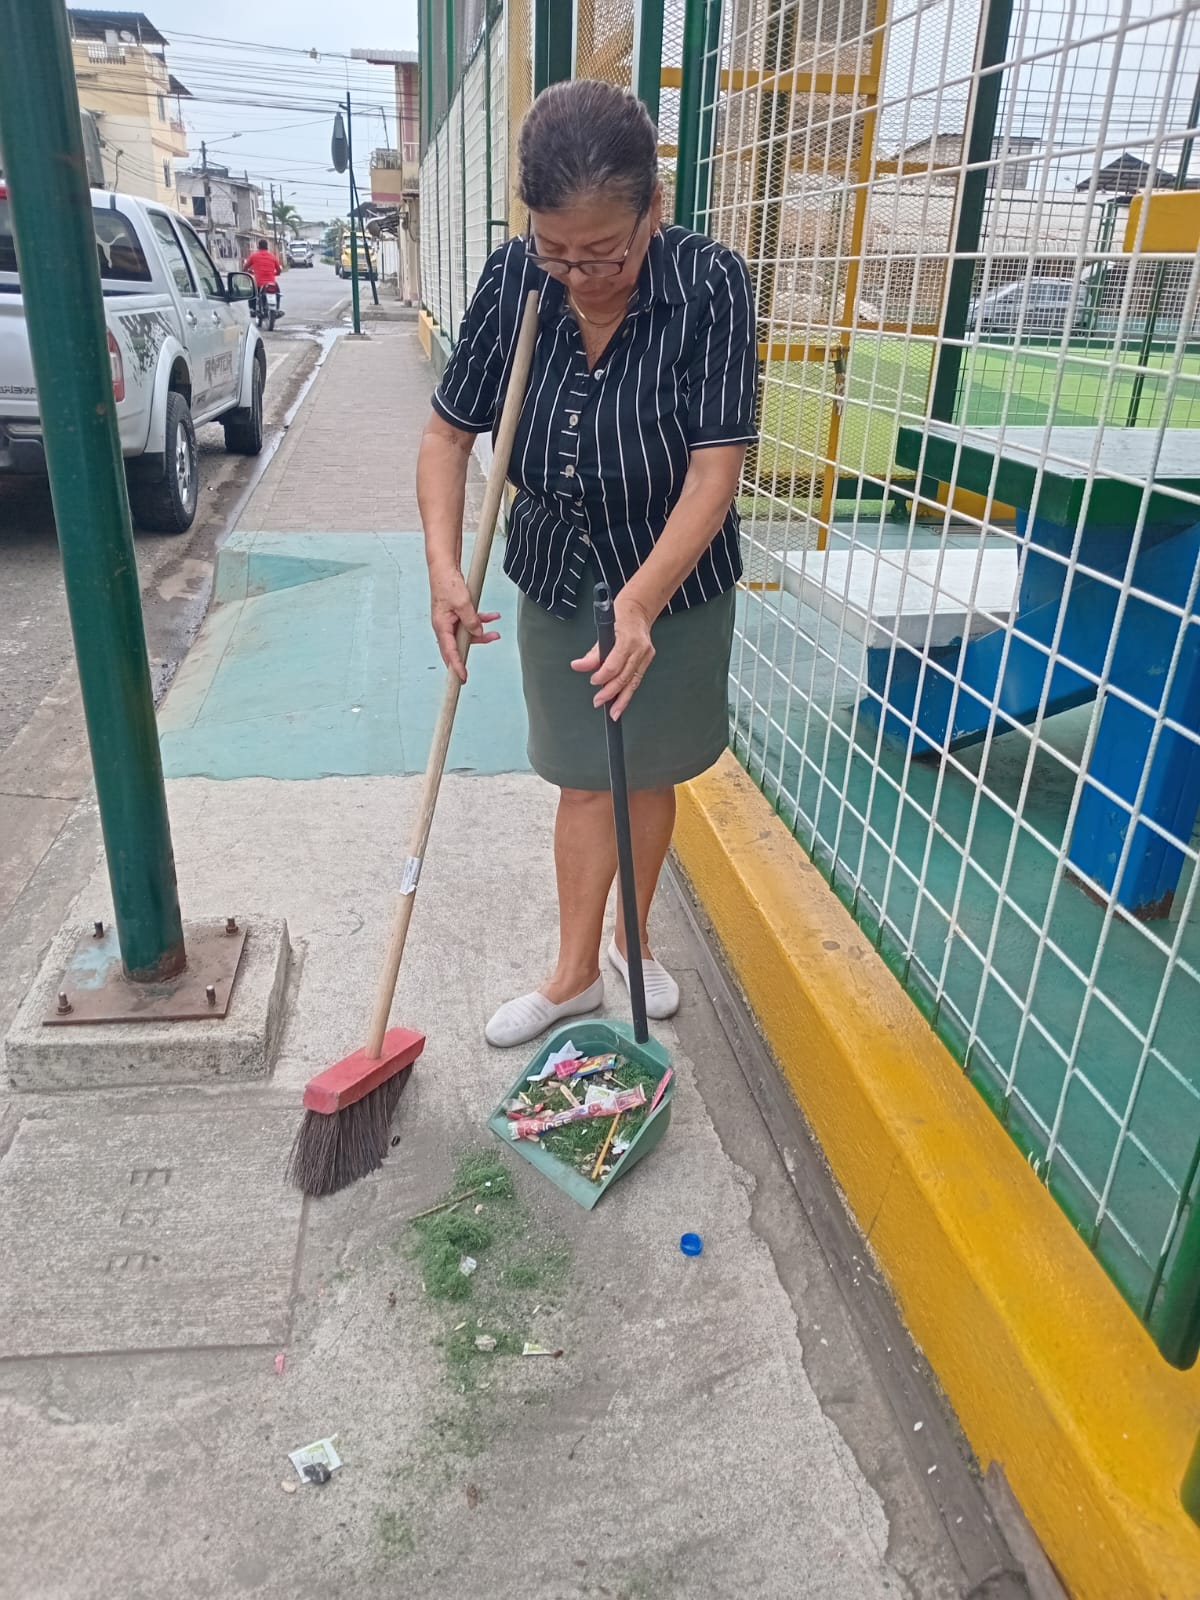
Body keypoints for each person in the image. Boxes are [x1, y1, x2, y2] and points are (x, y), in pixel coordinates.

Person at [417, 79, 757, 1048]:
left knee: (646, 774)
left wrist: (641, 603)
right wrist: (444, 568)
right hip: (559, 566)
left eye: (604, 251)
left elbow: (715, 469)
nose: (579, 274)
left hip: (674, 580)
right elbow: (447, 437)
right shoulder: (514, 280)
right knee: (581, 777)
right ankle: (572, 975)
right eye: (556, 250)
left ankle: (633, 943)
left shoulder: (709, 282)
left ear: (654, 208)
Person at [244, 237, 282, 315]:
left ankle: (252, 309)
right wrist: (275, 273)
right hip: (271, 283)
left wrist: (247, 271)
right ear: (267, 247)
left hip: (258, 283)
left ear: (258, 247)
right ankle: (277, 309)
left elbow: (245, 267)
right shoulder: (272, 256)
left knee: (252, 293)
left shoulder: (254, 256)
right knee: (277, 293)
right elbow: (279, 270)